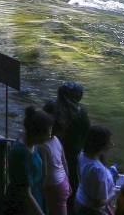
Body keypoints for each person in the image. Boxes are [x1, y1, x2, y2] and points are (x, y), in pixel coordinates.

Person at [45, 82, 93, 212]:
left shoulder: (50, 106)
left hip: (50, 152)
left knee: (47, 181)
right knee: (71, 184)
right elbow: (87, 136)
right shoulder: (81, 113)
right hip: (72, 155)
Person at [2, 107, 50, 215]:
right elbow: (26, 194)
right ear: (37, 133)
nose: (49, 138)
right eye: (48, 135)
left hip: (35, 194)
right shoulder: (21, 153)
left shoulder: (32, 144)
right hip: (22, 204)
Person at [74, 126, 116, 215]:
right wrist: (114, 192)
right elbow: (98, 203)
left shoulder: (82, 154)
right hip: (90, 210)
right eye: (109, 142)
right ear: (100, 144)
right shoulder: (99, 170)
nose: (111, 145)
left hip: (80, 200)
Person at [41, 115, 72, 215]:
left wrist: (40, 190)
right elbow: (64, 163)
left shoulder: (42, 146)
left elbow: (45, 173)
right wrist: (68, 182)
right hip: (63, 181)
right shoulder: (56, 139)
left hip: (54, 185)